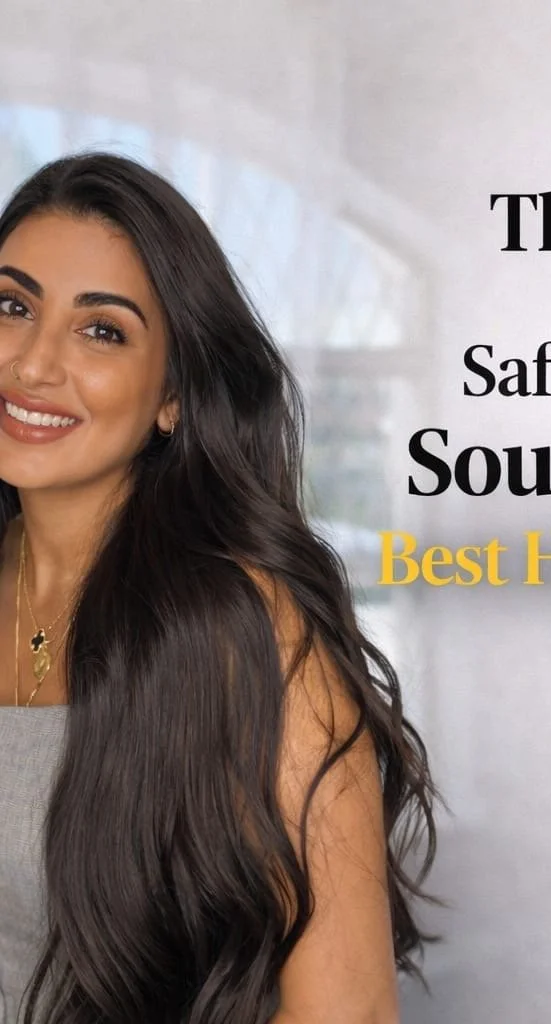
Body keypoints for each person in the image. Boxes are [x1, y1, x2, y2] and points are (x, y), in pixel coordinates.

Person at [0, 153, 438, 1023]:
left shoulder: (251, 632)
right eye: (11, 307)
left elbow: (347, 1015)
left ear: (172, 396)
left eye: (103, 331)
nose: (34, 364)